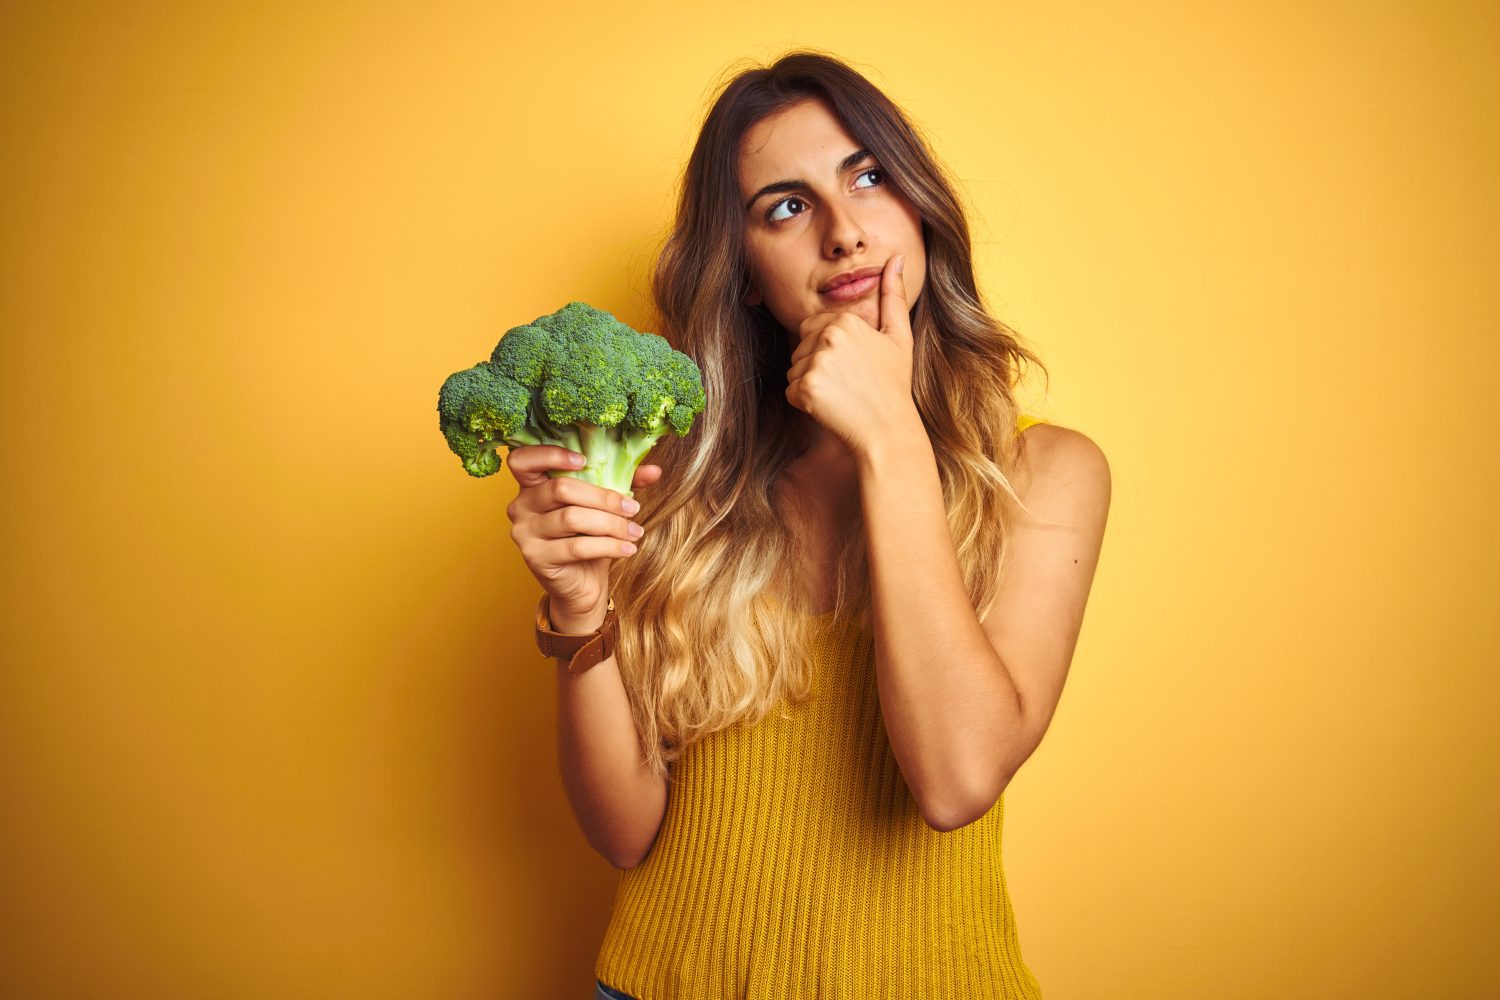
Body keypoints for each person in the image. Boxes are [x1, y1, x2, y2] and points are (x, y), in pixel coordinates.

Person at [504, 49, 1111, 1000]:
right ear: (744, 273)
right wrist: (578, 609)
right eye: (784, 207)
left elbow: (954, 783)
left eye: (867, 177)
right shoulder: (677, 475)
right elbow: (630, 835)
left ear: (917, 207)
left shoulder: (1047, 473)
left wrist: (892, 440)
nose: (843, 233)